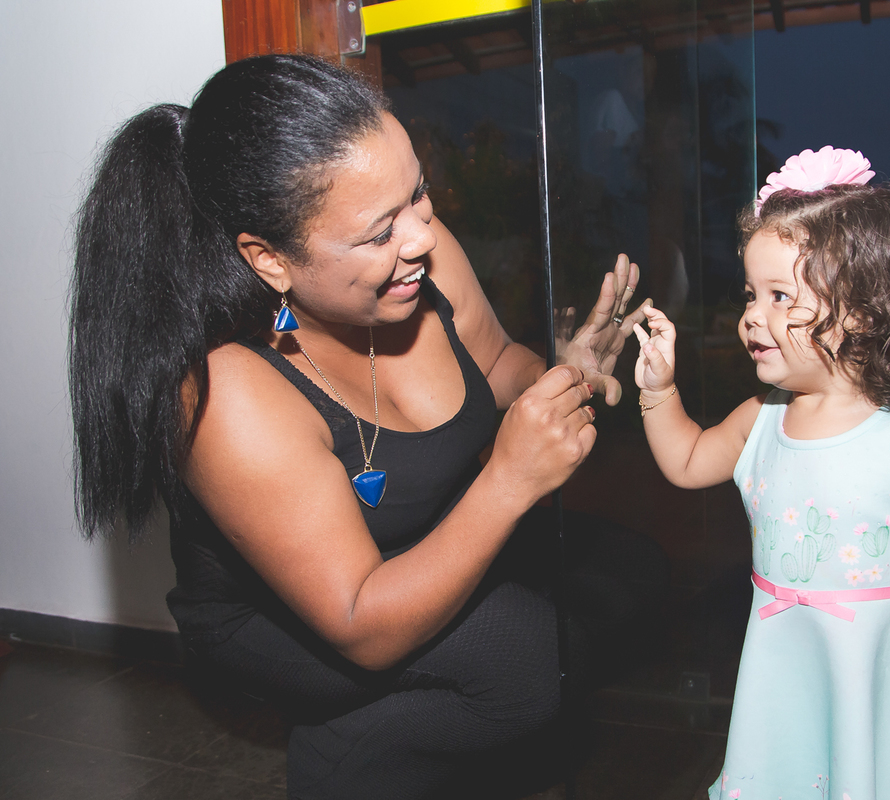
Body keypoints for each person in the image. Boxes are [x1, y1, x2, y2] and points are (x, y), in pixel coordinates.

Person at [69, 54, 656, 799]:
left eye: (419, 194)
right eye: (380, 232)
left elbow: (498, 361)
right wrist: (509, 480)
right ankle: (343, 759)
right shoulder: (229, 390)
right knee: (523, 657)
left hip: (402, 543)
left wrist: (562, 372)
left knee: (627, 574)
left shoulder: (423, 258)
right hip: (287, 615)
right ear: (271, 260)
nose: (420, 236)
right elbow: (358, 619)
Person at [631, 148, 890, 800]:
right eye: (751, 295)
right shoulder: (760, 418)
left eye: (781, 296)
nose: (754, 315)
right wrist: (658, 392)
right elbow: (687, 461)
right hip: (785, 664)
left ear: (863, 313)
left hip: (875, 667)